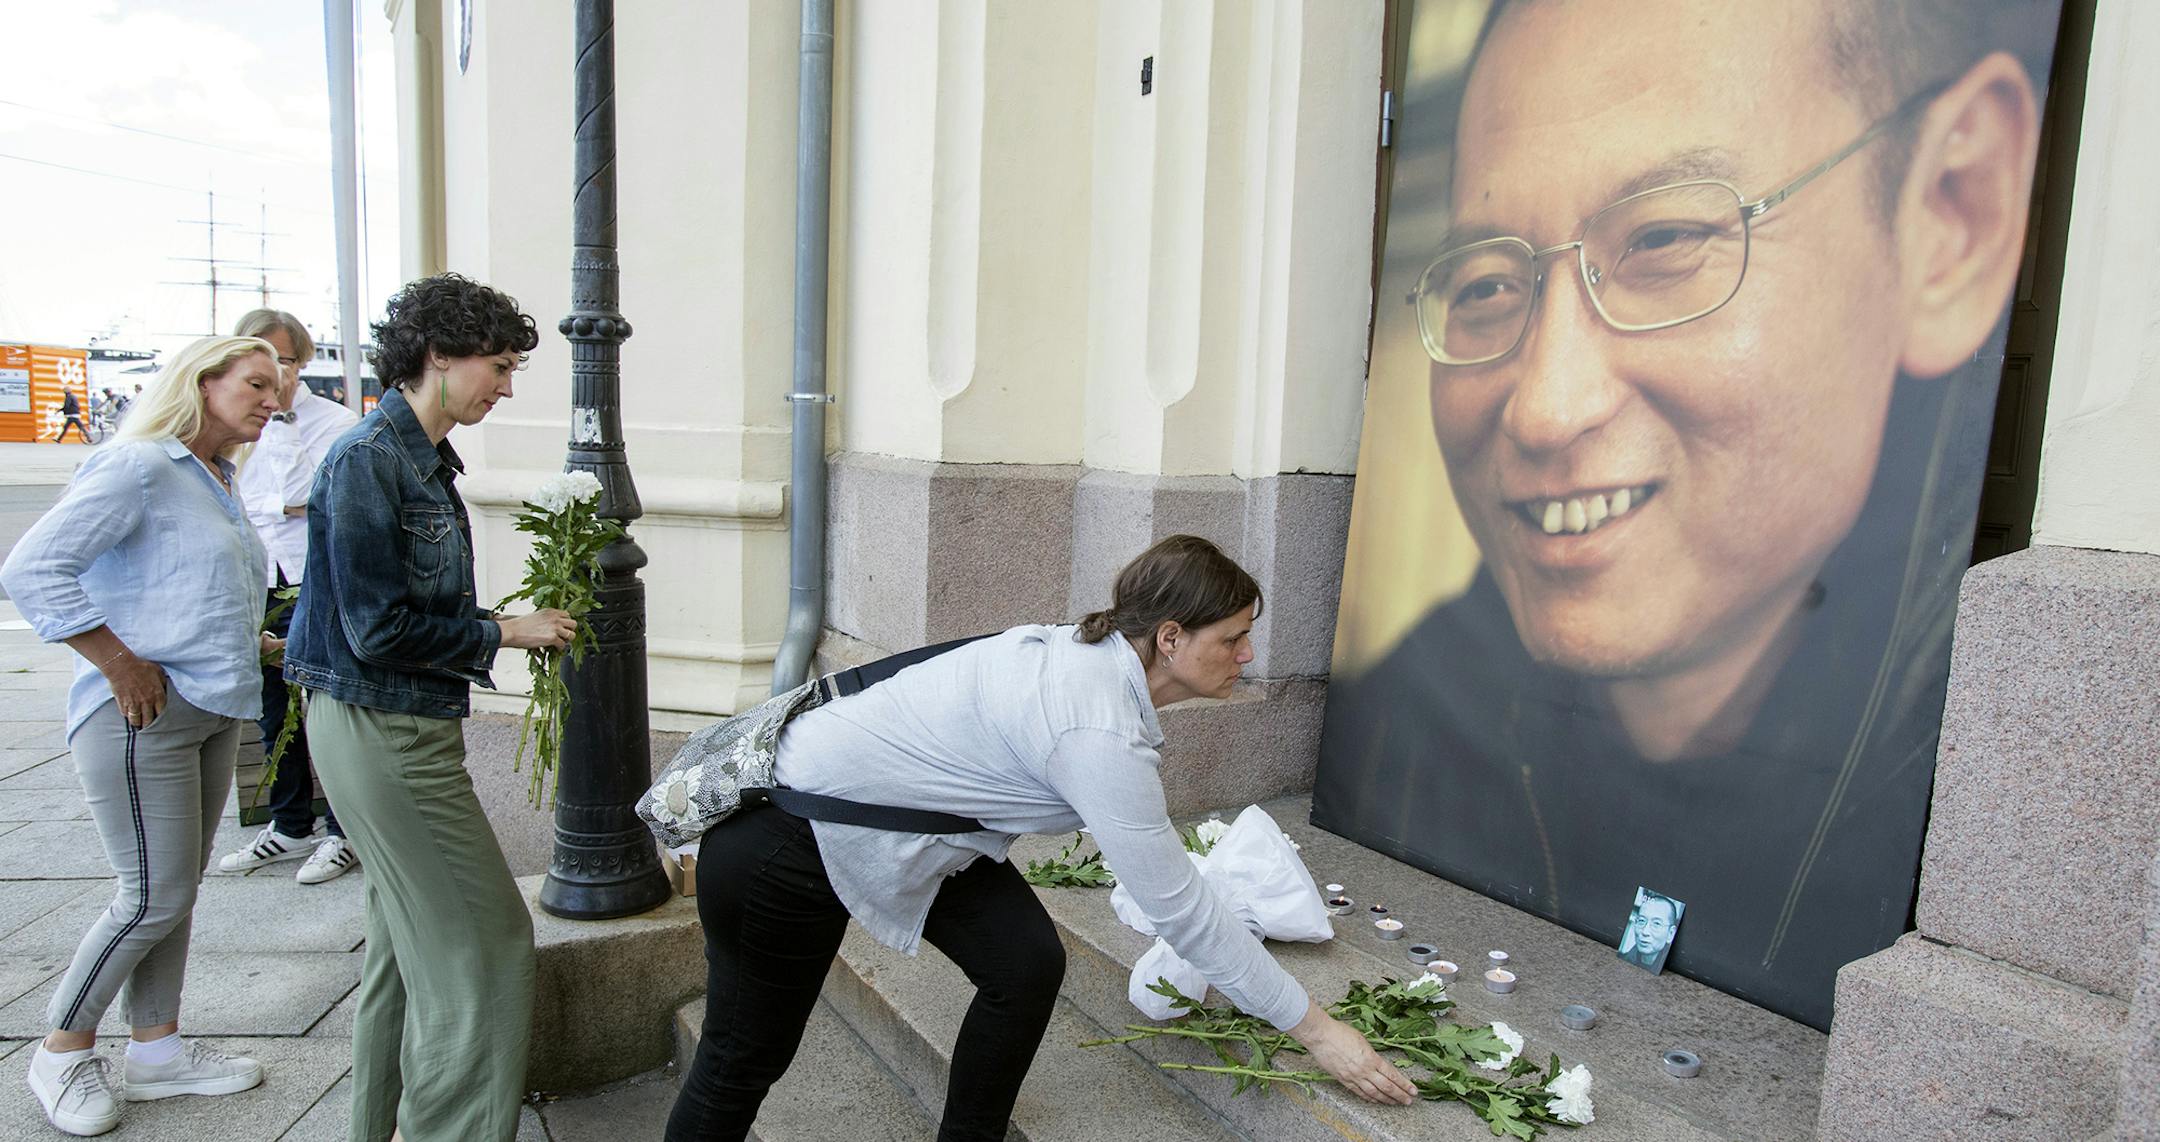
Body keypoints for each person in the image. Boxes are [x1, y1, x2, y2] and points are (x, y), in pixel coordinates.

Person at [1313, 0, 2048, 1029]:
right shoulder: (1399, 734)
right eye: (1487, 284)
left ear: (1953, 215)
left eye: (1665, 239)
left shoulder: (2001, 817)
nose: (1545, 405)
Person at [665, 534, 1417, 1142]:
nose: (1248, 656)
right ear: (1170, 636)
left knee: (1024, 961)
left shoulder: (1090, 659)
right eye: (1235, 638)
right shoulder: (1096, 728)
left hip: (880, 826)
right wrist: (1317, 1030)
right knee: (744, 1057)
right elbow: (1180, 911)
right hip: (780, 849)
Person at [281, 273, 571, 1142]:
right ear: (438, 356)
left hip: (388, 725)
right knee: (487, 950)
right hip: (386, 733)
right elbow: (378, 630)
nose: (507, 386)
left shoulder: (410, 457)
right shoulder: (372, 459)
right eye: (500, 365)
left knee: (404, 961)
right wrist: (503, 631)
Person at [1, 336, 284, 1136]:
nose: (274, 400)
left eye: (277, 387)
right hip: (141, 715)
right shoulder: (140, 465)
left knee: (173, 896)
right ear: (202, 381)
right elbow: (31, 569)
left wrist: (256, 642)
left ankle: (157, 1053)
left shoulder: (213, 477)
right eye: (256, 384)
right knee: (150, 895)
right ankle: (60, 1051)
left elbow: (179, 589)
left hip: (211, 707)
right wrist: (119, 662)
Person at [217, 309, 362, 884]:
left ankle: (343, 832)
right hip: (264, 577)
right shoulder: (235, 426)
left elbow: (305, 498)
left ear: (301, 362)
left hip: (316, 575)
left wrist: (281, 430)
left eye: (283, 360)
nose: (273, 373)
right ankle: (287, 823)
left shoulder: (334, 423)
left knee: (327, 704)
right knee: (273, 707)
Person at [1617, 892, 1681, 972]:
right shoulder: (1623, 958)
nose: (1645, 932)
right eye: (1641, 921)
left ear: (1671, 933)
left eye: (1656, 923)